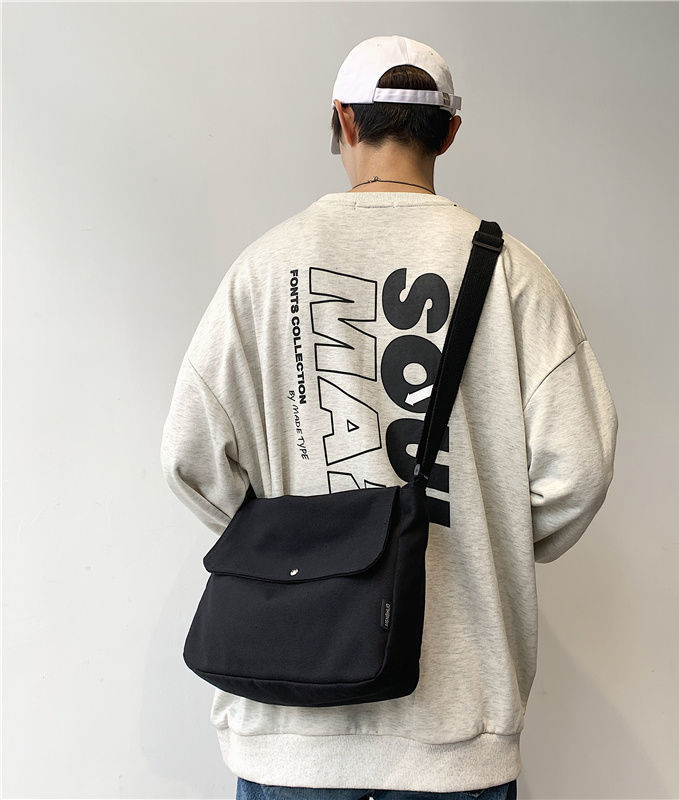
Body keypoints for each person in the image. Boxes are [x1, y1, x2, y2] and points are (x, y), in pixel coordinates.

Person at [160, 34, 618, 800]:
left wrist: (291, 544)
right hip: (456, 740)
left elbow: (191, 457)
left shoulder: (263, 270)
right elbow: (579, 470)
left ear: (343, 119)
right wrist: (488, 535)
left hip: (291, 739)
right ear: (450, 131)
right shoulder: (514, 274)